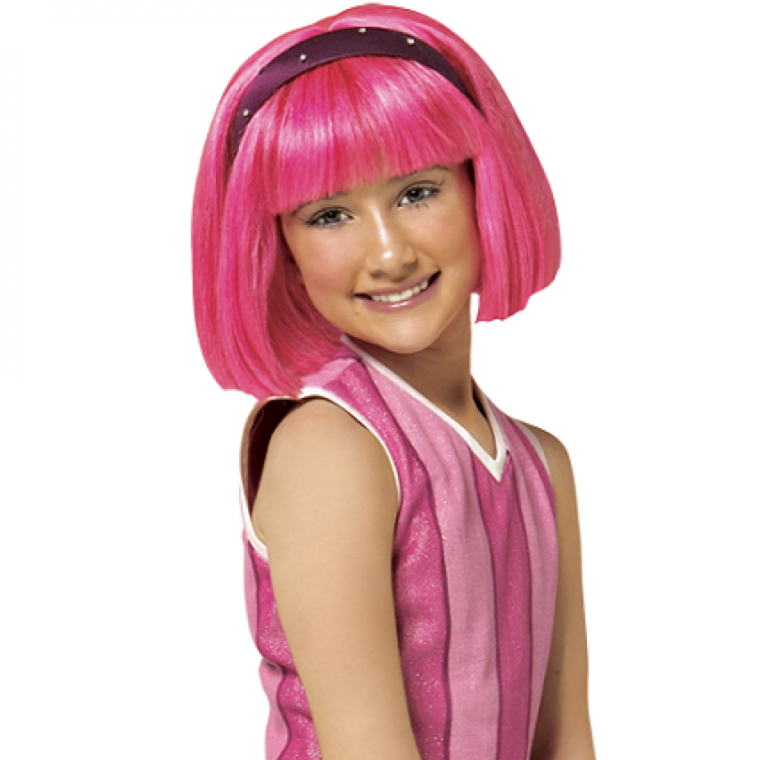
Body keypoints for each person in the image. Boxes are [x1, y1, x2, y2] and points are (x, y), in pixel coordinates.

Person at [192, 5, 595, 759]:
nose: (389, 254)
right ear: (280, 247)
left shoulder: (543, 465)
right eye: (329, 214)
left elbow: (564, 742)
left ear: (481, 187)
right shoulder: (331, 448)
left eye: (417, 192)